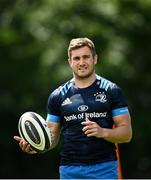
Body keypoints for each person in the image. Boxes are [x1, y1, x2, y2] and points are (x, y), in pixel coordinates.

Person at [14, 37, 132, 179]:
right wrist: (35, 145)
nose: (81, 62)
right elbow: (51, 137)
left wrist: (102, 132)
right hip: (70, 171)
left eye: (86, 57)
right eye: (76, 58)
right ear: (70, 62)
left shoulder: (111, 90)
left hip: (104, 169)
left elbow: (126, 134)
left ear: (95, 59)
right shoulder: (58, 95)